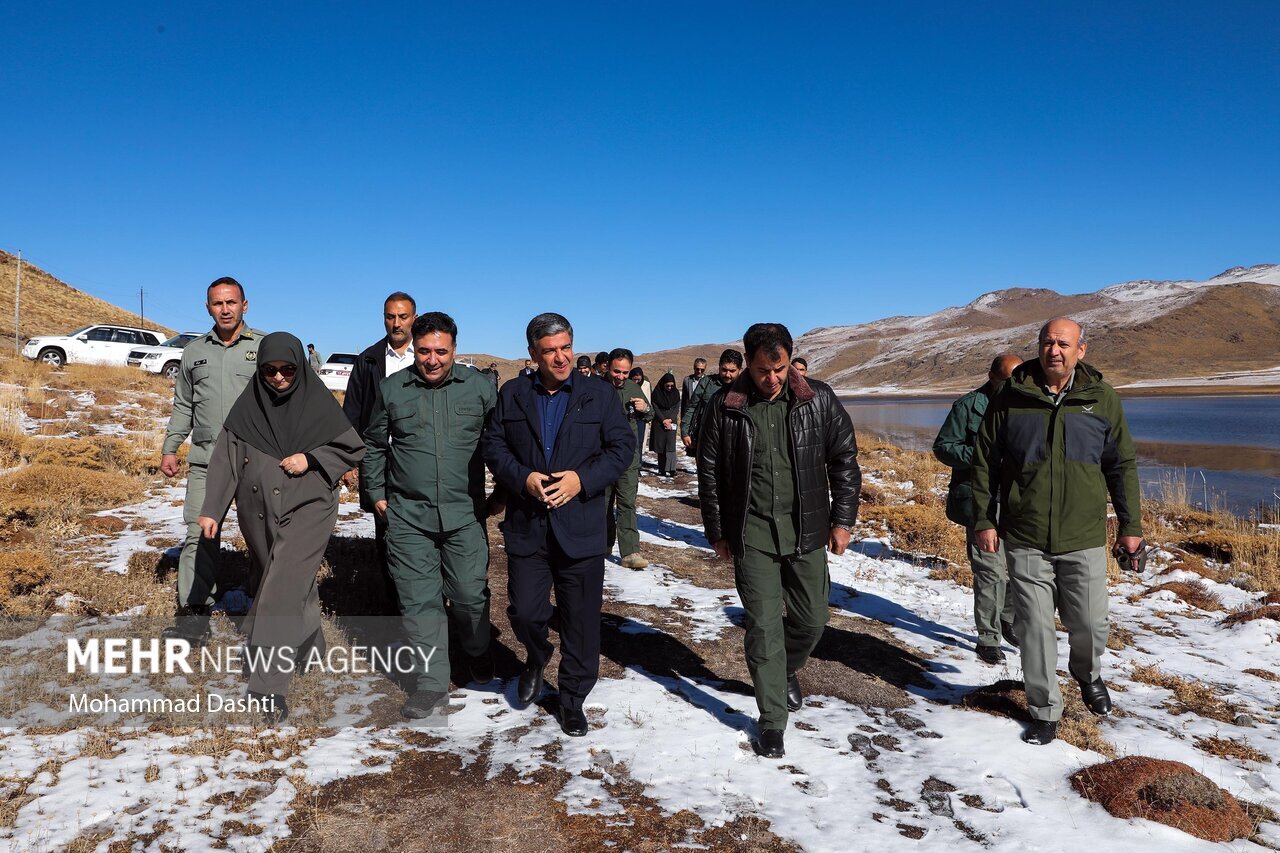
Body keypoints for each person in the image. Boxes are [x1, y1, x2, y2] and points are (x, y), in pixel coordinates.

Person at [973, 318, 1143, 746]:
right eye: (1048, 342)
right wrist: (984, 519)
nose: (1054, 350)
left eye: (1064, 344)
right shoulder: (1012, 396)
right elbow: (984, 462)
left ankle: (1087, 673)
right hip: (1026, 534)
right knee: (1034, 628)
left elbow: (1121, 464)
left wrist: (1131, 526)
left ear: (1080, 350)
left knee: (1090, 623)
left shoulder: (1100, 398)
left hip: (1083, 535)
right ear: (1038, 346)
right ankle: (1045, 710)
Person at [697, 323, 860, 759]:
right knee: (764, 626)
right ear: (747, 364)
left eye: (780, 369)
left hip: (806, 529)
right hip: (751, 534)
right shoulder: (724, 405)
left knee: (812, 620)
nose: (772, 378)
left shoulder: (818, 399)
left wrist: (843, 520)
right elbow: (708, 472)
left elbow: (844, 460)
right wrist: (717, 530)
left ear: (790, 361)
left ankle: (785, 667)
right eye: (763, 370)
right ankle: (772, 721)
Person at [197, 332, 365, 723]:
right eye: (269, 370)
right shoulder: (248, 407)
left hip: (309, 506)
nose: (278, 377)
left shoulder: (317, 402)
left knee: (280, 587)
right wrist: (212, 510)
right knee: (284, 579)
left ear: (300, 368)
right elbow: (225, 460)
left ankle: (268, 685)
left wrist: (312, 458)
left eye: (288, 369)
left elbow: (352, 448)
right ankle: (310, 644)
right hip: (257, 510)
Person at [481, 313, 634, 737]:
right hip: (528, 525)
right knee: (525, 612)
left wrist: (581, 480)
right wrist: (522, 478)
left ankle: (572, 699)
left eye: (566, 347)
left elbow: (622, 447)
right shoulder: (513, 394)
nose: (561, 357)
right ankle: (536, 656)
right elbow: (493, 445)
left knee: (581, 622)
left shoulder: (599, 394)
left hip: (581, 527)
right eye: (550, 351)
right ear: (533, 354)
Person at [362, 312, 500, 718]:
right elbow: (374, 444)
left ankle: (477, 649)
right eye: (424, 351)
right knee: (419, 602)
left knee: (469, 596)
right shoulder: (392, 389)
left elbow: (501, 442)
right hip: (408, 516)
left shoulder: (479, 388)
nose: (433, 359)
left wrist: (505, 491)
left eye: (441, 351)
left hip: (464, 513)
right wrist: (376, 495)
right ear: (414, 351)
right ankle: (431, 683)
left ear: (454, 349)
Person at [159, 277, 265, 644]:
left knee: (263, 535)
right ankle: (195, 612)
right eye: (218, 303)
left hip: (255, 460)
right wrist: (171, 446)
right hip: (207, 460)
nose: (225, 309)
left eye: (231, 302)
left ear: (244, 305)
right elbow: (183, 406)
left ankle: (265, 604)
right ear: (208, 308)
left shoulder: (264, 347)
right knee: (198, 533)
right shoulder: (193, 352)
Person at [933, 353, 1023, 664]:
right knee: (990, 571)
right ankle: (988, 638)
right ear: (991, 377)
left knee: (1026, 568)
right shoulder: (967, 406)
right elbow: (943, 447)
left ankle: (1006, 617)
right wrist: (982, 456)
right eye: (1006, 381)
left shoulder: (1029, 404)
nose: (1013, 387)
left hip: (1020, 501)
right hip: (981, 501)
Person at [341, 291, 417, 613]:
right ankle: (393, 607)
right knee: (386, 533)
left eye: (403, 316)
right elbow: (352, 412)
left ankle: (426, 604)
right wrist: (349, 459)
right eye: (390, 316)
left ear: (414, 318)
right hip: (381, 460)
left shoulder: (427, 354)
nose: (396, 323)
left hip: (421, 460)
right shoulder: (369, 360)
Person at [606, 348, 651, 570]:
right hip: (602, 456)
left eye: (625, 372)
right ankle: (601, 545)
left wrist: (645, 408)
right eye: (617, 371)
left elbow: (651, 413)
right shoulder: (597, 387)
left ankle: (630, 552)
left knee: (626, 503)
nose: (621, 376)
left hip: (628, 457)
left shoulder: (634, 387)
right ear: (608, 367)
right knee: (602, 503)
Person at [681, 349, 743, 457]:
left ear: (740, 370)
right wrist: (685, 431)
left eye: (732, 371)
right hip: (706, 440)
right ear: (719, 366)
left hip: (734, 443)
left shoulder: (745, 388)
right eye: (724, 370)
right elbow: (692, 407)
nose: (727, 374)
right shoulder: (706, 382)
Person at [649, 372, 681, 477]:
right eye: (667, 386)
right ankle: (662, 469)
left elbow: (676, 408)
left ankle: (672, 469)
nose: (670, 388)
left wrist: (670, 420)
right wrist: (663, 420)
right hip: (659, 421)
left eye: (672, 386)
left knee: (671, 445)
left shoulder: (676, 393)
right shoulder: (657, 393)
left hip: (672, 421)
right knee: (661, 445)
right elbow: (655, 407)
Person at [628, 366, 652, 455]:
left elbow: (649, 401)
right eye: (634, 379)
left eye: (638, 380)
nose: (636, 382)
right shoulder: (627, 386)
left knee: (640, 443)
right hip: (629, 418)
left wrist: (646, 409)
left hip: (641, 418)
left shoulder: (646, 385)